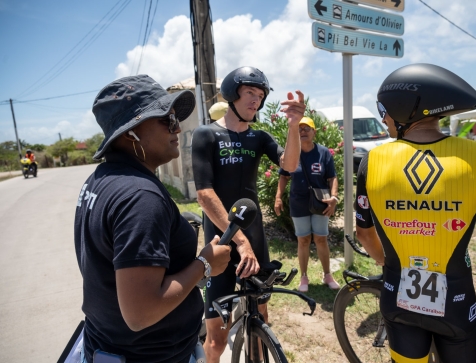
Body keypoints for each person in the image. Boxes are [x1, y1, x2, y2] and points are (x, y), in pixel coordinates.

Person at [355, 63, 476, 363]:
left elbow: (364, 235)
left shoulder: (371, 161)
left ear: (407, 108)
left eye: (384, 109)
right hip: (455, 305)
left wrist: (391, 262)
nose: (383, 118)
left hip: (396, 297)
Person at [74, 75, 231, 363]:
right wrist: (205, 263)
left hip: (107, 345)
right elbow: (141, 313)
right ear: (129, 133)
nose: (178, 128)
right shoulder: (140, 197)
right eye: (167, 120)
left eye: (176, 119)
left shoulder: (100, 179)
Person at [191, 66, 305, 363]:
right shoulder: (206, 135)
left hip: (255, 242)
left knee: (262, 321)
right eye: (250, 93)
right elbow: (205, 195)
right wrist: (239, 242)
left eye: (261, 95)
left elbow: (289, 165)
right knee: (216, 342)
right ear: (232, 94)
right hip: (222, 244)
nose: (257, 100)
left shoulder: (260, 137)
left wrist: (294, 126)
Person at [274, 116, 340, 292]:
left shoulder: (323, 152)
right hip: (298, 202)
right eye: (300, 129)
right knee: (303, 240)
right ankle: (304, 277)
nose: (303, 131)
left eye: (307, 128)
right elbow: (284, 176)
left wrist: (334, 198)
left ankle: (327, 275)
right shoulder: (291, 152)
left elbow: (332, 177)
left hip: (320, 203)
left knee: (321, 239)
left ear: (314, 132)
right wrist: (278, 197)